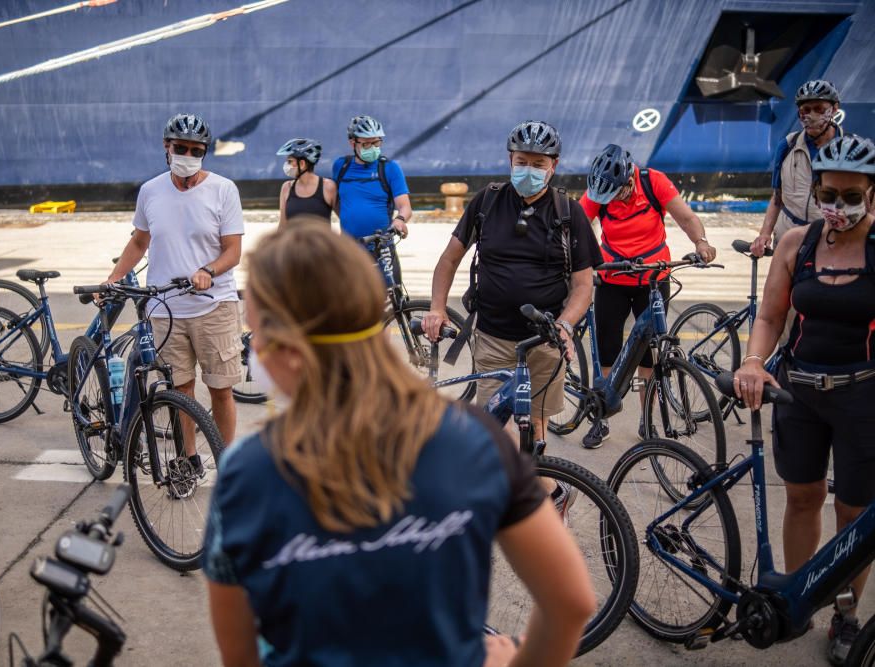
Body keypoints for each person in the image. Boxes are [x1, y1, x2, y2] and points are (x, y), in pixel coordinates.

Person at [203, 224, 595, 667]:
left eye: (255, 332)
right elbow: (571, 602)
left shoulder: (246, 472)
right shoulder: (476, 440)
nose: (251, 347)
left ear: (290, 351)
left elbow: (239, 655)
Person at [734, 134, 875, 665]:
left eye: (851, 196)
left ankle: (844, 612)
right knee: (801, 497)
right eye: (829, 194)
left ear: (872, 193)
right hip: (800, 393)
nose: (838, 207)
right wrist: (752, 362)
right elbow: (770, 317)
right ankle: (798, 598)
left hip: (864, 394)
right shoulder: (798, 244)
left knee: (854, 515)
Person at [423, 120, 601, 457]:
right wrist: (436, 307)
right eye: (522, 162)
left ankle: (546, 495)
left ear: (554, 166)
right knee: (497, 431)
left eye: (538, 164)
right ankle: (524, 497)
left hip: (545, 340)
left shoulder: (568, 212)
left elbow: (583, 284)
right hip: (493, 338)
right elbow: (448, 260)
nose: (529, 170)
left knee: (535, 431)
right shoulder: (486, 203)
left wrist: (565, 324)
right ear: (510, 160)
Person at [108, 113, 243, 450]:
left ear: (204, 152)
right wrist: (112, 279)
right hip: (166, 309)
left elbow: (233, 251)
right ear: (166, 147)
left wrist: (208, 272)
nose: (187, 155)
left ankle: (226, 466)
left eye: (195, 150)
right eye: (180, 147)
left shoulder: (224, 190)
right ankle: (187, 460)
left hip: (214, 306)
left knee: (220, 391)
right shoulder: (150, 191)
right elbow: (139, 242)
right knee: (180, 391)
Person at [578, 143, 717, 447]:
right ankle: (600, 418)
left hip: (654, 276)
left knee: (650, 354)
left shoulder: (653, 181)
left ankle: (646, 421)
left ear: (629, 182)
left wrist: (701, 243)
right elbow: (577, 224)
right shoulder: (600, 188)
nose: (610, 199)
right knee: (608, 348)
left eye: (616, 193)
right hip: (612, 275)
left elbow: (686, 217)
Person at [751, 80, 844, 257]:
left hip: (831, 237)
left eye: (819, 109)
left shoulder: (851, 150)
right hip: (789, 236)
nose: (811, 115)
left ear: (834, 109)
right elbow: (777, 197)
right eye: (805, 110)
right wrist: (764, 234)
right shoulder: (788, 146)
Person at [277, 138, 336, 226]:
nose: (286, 165)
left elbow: (345, 220)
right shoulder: (286, 187)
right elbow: (282, 225)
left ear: (302, 164)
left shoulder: (328, 186)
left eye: (290, 161)